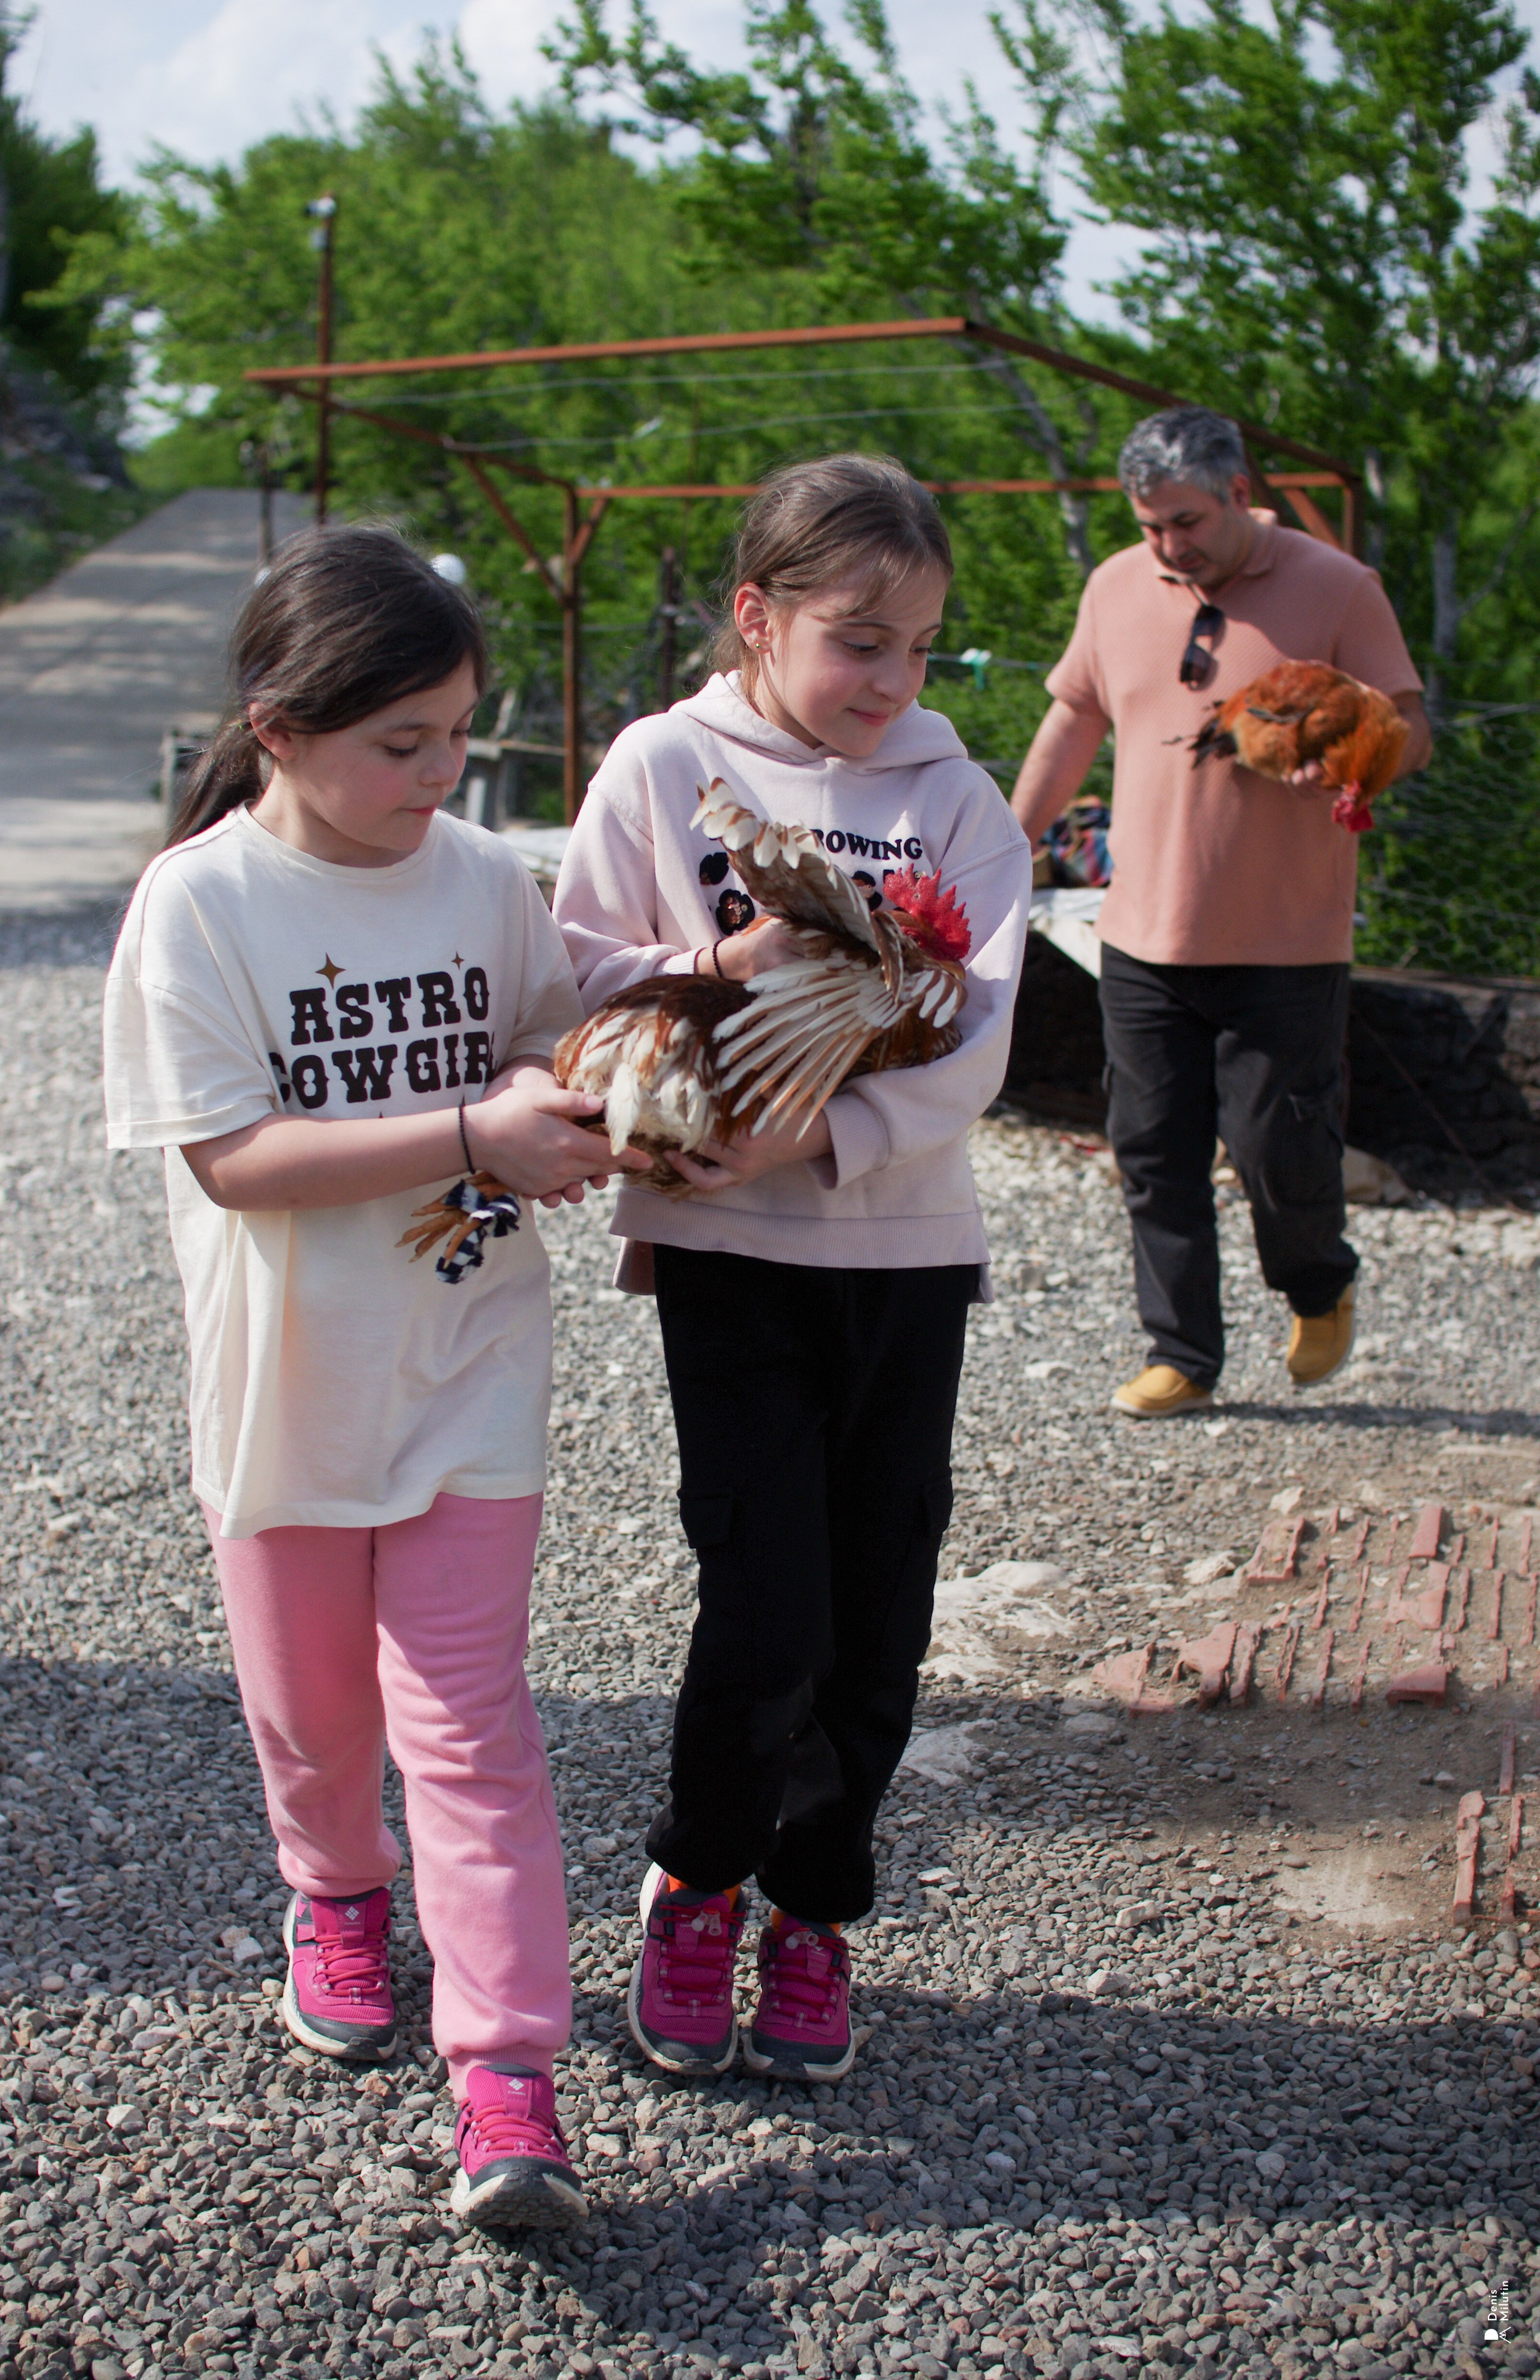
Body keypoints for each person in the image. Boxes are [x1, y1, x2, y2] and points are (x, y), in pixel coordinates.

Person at [103, 525, 644, 2228]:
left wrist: (585, 1095)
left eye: (459, 733)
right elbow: (233, 1161)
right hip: (285, 1394)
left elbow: (548, 1034)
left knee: (470, 1728)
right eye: (401, 741)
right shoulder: (200, 901)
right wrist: (478, 1129)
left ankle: (509, 2078)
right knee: (314, 1715)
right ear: (280, 728)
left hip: (469, 1366)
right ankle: (336, 1891)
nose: (442, 773)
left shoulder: (482, 876)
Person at [552, 454, 1031, 2079]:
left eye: (919, 647)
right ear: (757, 616)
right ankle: (697, 1880)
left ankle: (816, 1909)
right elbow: (573, 969)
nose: (891, 681)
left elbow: (981, 1034)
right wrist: (716, 963)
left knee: (881, 1613)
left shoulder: (954, 796)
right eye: (858, 641)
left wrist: (822, 1131)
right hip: (724, 1249)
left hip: (904, 1249)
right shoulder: (662, 762)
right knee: (763, 1599)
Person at [1012, 407, 1431, 1418]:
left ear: (1241, 491)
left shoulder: (1340, 586)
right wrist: (1011, 842)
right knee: (1151, 1150)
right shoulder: (1116, 585)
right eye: (1151, 525)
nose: (1168, 544)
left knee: (1278, 1150)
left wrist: (1360, 751)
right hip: (1140, 932)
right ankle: (1183, 1353)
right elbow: (1073, 718)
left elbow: (1413, 729)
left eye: (1187, 521)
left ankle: (1319, 1284)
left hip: (1286, 940)